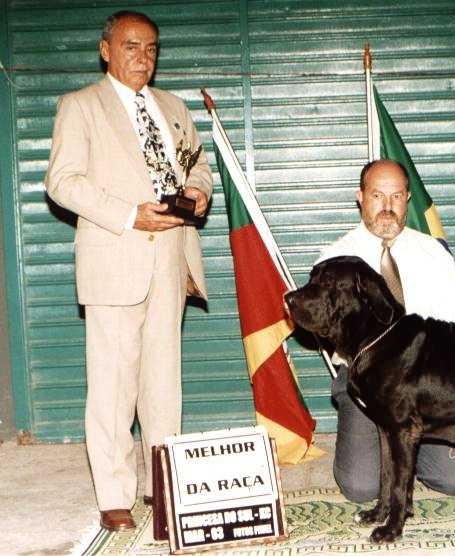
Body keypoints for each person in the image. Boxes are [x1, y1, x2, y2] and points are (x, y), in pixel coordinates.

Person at [44, 11, 212, 531]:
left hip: (170, 256)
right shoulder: (80, 107)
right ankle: (114, 495)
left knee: (164, 383)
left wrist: (200, 191)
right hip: (116, 254)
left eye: (152, 48)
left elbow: (197, 165)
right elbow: (63, 182)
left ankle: (163, 487)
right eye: (131, 46)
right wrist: (127, 213)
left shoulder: (175, 107)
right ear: (105, 50)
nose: (143, 57)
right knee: (113, 385)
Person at [318, 159, 455, 503]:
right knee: (363, 488)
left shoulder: (433, 253)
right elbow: (333, 338)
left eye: (396, 197)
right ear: (360, 197)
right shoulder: (335, 258)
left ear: (407, 199)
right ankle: (379, 443)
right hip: (366, 381)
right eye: (377, 195)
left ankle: (406, 448)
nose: (387, 207)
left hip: (426, 381)